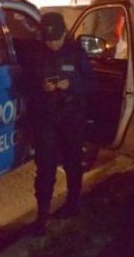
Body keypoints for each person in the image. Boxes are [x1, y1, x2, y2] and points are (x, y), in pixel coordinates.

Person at [23, 12, 97, 235]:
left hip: (72, 118)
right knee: (45, 168)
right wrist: (40, 87)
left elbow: (92, 84)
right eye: (48, 40)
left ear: (64, 33)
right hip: (46, 119)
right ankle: (42, 216)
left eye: (56, 39)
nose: (53, 44)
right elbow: (24, 83)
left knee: (73, 163)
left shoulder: (77, 54)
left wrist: (70, 85)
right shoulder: (35, 54)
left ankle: (73, 204)